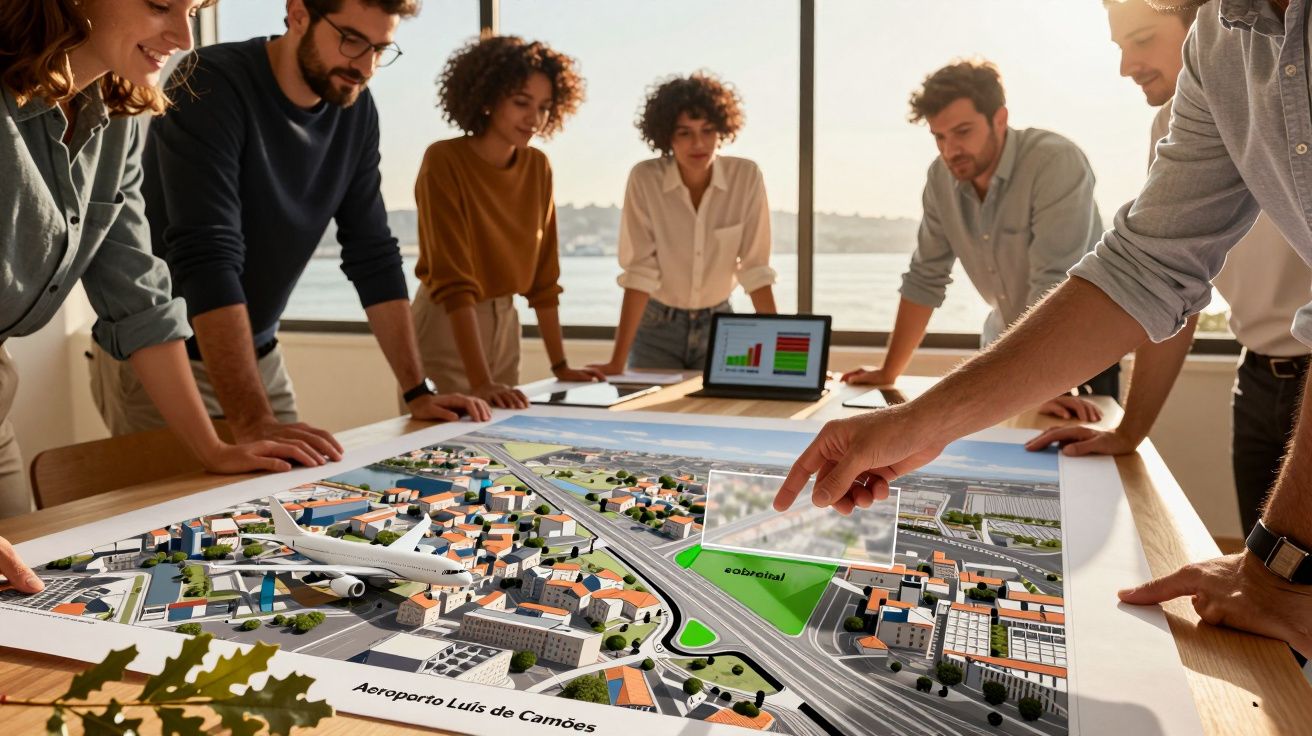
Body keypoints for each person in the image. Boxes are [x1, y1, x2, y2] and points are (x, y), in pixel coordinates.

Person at [773, 0, 1312, 659]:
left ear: (999, 119)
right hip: (1218, 369)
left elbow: (1074, 281)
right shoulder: (1219, 46)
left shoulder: (1056, 158)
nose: (1123, 65)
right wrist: (914, 418)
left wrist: (1276, 569)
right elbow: (1148, 271)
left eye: (1141, 36)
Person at [90, 0, 491, 455]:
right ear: (299, 13)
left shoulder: (356, 111)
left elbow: (373, 252)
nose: (365, 66)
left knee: (290, 497)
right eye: (351, 40)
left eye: (380, 49)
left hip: (259, 356)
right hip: (164, 361)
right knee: (179, 523)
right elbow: (207, 254)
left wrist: (419, 392)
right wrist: (251, 419)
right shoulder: (208, 79)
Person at [1, 0, 316, 524]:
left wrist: (213, 449)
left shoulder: (117, 118)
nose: (184, 38)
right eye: (160, 5)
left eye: (192, 10)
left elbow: (138, 296)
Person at [1028, 0, 1312, 542]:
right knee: (1265, 580)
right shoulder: (1172, 125)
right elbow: (1168, 282)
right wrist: (1130, 432)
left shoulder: (1288, 82)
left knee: (1285, 582)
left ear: (1206, 23)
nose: (1126, 66)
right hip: (1255, 381)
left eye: (1141, 39)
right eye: (1118, 48)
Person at [840, 60, 1111, 422]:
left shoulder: (1055, 161)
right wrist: (889, 373)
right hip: (1006, 358)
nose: (951, 150)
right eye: (939, 137)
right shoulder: (940, 179)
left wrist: (1038, 385)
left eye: (963, 131)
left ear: (999, 119)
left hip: (1074, 360)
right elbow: (925, 277)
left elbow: (1054, 283)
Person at [412, 35, 603, 409]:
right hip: (448, 322)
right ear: (487, 97)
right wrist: (481, 380)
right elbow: (453, 282)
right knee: (440, 453)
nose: (535, 118)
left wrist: (560, 365)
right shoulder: (444, 160)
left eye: (545, 107)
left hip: (506, 324)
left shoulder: (538, 167)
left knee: (494, 446)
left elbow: (545, 279)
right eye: (521, 103)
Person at [590, 72, 777, 374]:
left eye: (707, 130)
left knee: (723, 418)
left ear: (722, 130)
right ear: (666, 136)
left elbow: (755, 269)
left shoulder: (746, 177)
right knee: (647, 419)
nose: (698, 143)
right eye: (684, 132)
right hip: (656, 329)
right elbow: (640, 272)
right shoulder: (645, 179)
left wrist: (778, 355)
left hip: (722, 328)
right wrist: (616, 362)